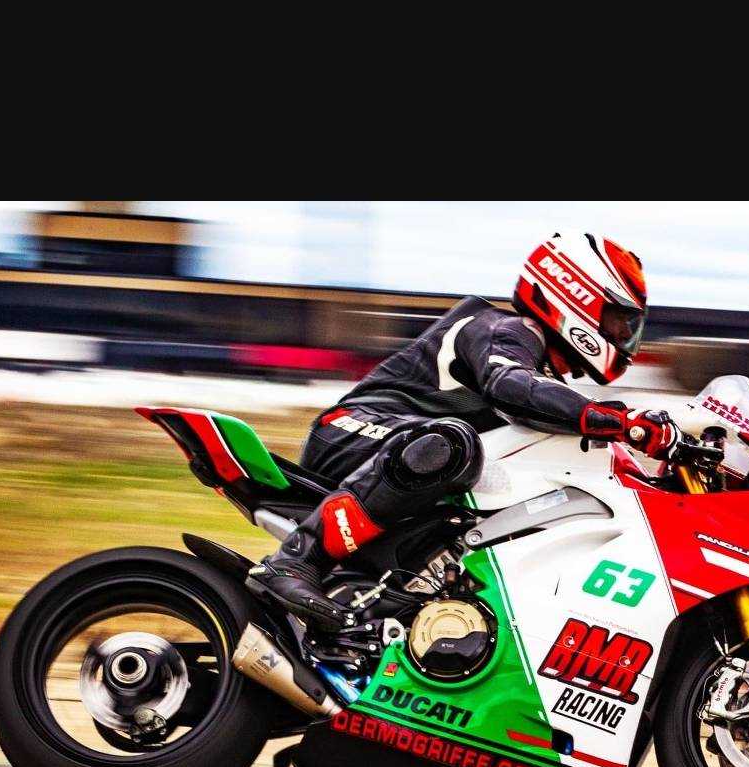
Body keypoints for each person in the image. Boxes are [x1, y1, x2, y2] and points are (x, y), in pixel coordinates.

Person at [248, 233, 689, 627]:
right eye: (617, 321)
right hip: (351, 433)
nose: (625, 336)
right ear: (575, 296)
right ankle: (295, 559)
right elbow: (510, 385)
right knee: (452, 443)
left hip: (395, 456)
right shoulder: (505, 330)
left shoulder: (540, 371)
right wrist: (621, 423)